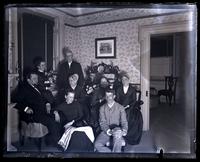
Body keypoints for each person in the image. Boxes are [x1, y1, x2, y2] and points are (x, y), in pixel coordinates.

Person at [14, 71, 61, 147]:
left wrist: (47, 103)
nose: (36, 80)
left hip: (43, 110)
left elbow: (42, 98)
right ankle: (57, 143)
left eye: (37, 78)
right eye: (34, 78)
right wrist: (26, 109)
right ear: (28, 80)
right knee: (51, 121)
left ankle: (51, 141)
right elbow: (16, 101)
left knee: (59, 116)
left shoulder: (37, 87)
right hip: (34, 113)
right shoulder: (24, 89)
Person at [94, 88, 128, 153]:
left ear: (114, 96)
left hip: (117, 129)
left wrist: (124, 130)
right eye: (106, 96)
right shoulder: (102, 108)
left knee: (118, 134)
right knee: (97, 145)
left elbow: (124, 122)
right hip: (106, 130)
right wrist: (108, 131)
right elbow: (102, 122)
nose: (108, 98)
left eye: (110, 96)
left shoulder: (120, 107)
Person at [116, 74, 143, 145]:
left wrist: (128, 106)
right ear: (121, 81)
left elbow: (134, 100)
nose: (124, 81)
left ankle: (126, 134)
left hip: (130, 107)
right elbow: (117, 100)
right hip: (120, 106)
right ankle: (118, 134)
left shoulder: (132, 89)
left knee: (127, 114)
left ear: (128, 80)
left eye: (125, 79)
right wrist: (121, 107)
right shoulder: (119, 89)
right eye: (123, 80)